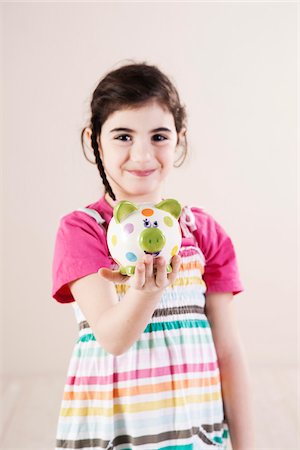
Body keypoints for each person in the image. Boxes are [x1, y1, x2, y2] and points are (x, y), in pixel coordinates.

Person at [52, 61, 255, 450]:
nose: (142, 155)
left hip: (194, 433)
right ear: (94, 140)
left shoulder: (201, 231)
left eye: (159, 136)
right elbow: (112, 337)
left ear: (179, 139)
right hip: (115, 431)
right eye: (123, 136)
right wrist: (146, 291)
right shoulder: (83, 229)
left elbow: (227, 350)